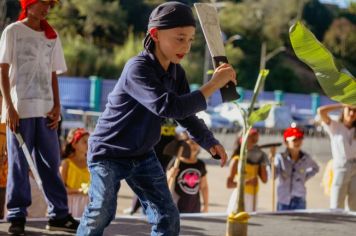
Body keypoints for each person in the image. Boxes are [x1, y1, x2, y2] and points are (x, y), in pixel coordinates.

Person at [77, 2, 237, 235]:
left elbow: (186, 114)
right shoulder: (137, 69)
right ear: (155, 34)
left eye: (191, 40)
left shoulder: (176, 72)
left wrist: (208, 140)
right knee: (101, 211)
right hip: (108, 153)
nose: (187, 46)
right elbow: (168, 107)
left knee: (168, 218)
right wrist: (213, 85)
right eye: (180, 38)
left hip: (142, 154)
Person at [0, 0, 79, 234]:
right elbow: (3, 69)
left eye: (49, 4)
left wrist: (57, 105)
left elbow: (52, 72)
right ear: (29, 4)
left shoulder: (51, 35)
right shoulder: (13, 31)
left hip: (46, 111)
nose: (47, 8)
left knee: (51, 164)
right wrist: (9, 107)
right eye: (42, 3)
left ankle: (59, 215)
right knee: (18, 164)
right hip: (20, 110)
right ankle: (16, 216)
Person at [318, 104, 356, 210]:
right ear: (344, 110)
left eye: (355, 111)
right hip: (341, 167)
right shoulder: (335, 126)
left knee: (354, 205)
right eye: (350, 109)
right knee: (337, 204)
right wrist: (343, 104)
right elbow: (321, 111)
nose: (352, 113)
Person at [274, 127, 319, 211]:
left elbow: (315, 168)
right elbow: (273, 176)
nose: (297, 142)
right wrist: (271, 161)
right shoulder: (280, 158)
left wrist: (304, 177)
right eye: (294, 140)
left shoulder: (306, 158)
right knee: (283, 223)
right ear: (286, 142)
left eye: (300, 139)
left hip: (299, 198)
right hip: (283, 199)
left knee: (300, 224)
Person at [226, 128, 269, 212]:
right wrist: (247, 182)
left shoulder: (258, 159)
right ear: (242, 140)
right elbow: (229, 184)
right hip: (240, 197)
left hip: (253, 197)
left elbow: (265, 179)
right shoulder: (236, 160)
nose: (253, 142)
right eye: (251, 138)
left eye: (255, 139)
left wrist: (263, 159)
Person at [166, 131, 209, 213]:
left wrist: (206, 205)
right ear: (184, 145)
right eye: (192, 143)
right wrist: (170, 176)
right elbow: (167, 186)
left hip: (195, 207)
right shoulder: (175, 163)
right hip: (177, 207)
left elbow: (204, 187)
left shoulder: (200, 164)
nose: (195, 146)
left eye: (197, 143)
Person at [60, 128, 90, 218]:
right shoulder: (66, 163)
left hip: (87, 203)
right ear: (74, 144)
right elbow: (61, 189)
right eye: (84, 142)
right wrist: (78, 191)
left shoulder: (91, 163)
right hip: (70, 203)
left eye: (89, 141)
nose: (88, 144)